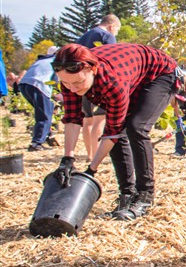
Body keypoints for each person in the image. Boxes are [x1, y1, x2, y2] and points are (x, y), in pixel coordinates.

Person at [51, 42, 178, 221]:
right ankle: (127, 195)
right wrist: (67, 160)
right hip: (132, 73)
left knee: (136, 127)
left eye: (78, 82)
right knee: (117, 132)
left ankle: (145, 197)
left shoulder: (113, 83)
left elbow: (112, 133)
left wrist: (91, 170)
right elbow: (72, 119)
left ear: (92, 69)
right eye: (65, 83)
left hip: (161, 73)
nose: (73, 89)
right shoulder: (70, 78)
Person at [75, 15, 122, 162]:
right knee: (99, 119)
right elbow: (112, 59)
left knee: (87, 119)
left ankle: (90, 154)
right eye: (117, 30)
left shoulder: (84, 37)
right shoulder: (107, 36)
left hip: (82, 82)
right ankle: (97, 156)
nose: (115, 33)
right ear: (112, 26)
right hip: (98, 81)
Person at [18, 46, 60, 151]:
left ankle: (47, 135)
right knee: (45, 115)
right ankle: (36, 143)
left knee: (42, 111)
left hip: (24, 85)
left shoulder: (41, 60)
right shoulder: (57, 61)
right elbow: (56, 81)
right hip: (38, 85)